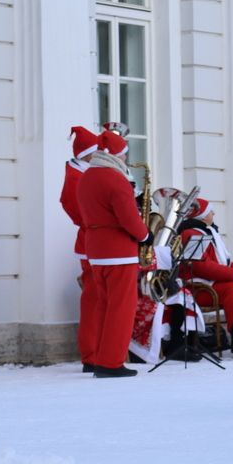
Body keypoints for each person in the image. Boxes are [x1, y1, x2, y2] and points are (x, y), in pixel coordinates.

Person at [76, 130, 150, 378]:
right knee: (121, 308)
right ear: (117, 154)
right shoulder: (115, 179)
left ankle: (98, 357)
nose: (126, 158)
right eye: (124, 153)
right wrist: (145, 236)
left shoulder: (87, 177)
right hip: (119, 250)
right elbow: (128, 218)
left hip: (95, 249)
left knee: (103, 306)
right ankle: (111, 362)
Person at [177, 199, 233, 339]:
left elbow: (223, 264)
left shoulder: (207, 232)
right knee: (232, 289)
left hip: (212, 285)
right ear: (203, 215)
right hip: (198, 289)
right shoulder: (191, 234)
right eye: (211, 211)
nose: (213, 213)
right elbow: (202, 267)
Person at [60, 125, 100, 372]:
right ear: (88, 153)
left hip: (95, 241)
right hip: (92, 242)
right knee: (94, 300)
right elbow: (76, 209)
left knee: (99, 299)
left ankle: (101, 350)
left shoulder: (83, 173)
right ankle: (92, 353)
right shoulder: (78, 176)